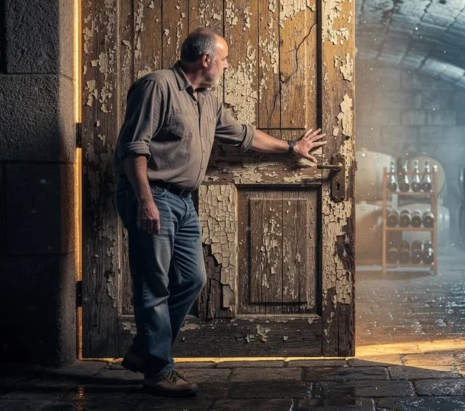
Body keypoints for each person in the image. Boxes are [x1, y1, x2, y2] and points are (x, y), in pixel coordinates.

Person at [113, 27, 326, 397]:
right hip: (154, 196)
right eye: (224, 59)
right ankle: (158, 371)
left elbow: (245, 135)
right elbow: (134, 148)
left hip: (183, 201)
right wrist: (145, 200)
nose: (228, 65)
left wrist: (291, 147)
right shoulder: (156, 86)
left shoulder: (207, 100)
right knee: (153, 285)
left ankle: (144, 351)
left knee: (193, 280)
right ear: (207, 59)